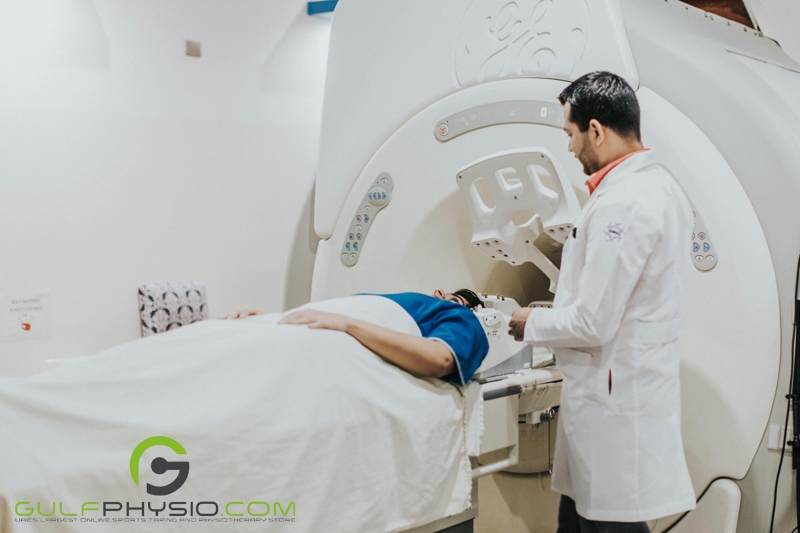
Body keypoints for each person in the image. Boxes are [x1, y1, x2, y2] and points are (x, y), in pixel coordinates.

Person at [507, 72, 696, 532]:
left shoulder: (625, 203)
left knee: (609, 523)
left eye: (570, 134)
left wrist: (528, 321)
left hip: (615, 405)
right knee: (577, 521)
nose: (569, 148)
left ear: (596, 130)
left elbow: (594, 322)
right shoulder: (655, 187)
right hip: (611, 393)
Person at [222, 288, 489, 386]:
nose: (442, 297)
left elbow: (439, 358)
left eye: (455, 301)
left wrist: (348, 323)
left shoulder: (463, 317)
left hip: (324, 337)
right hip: (283, 326)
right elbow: (323, 318)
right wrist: (269, 319)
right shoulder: (385, 301)